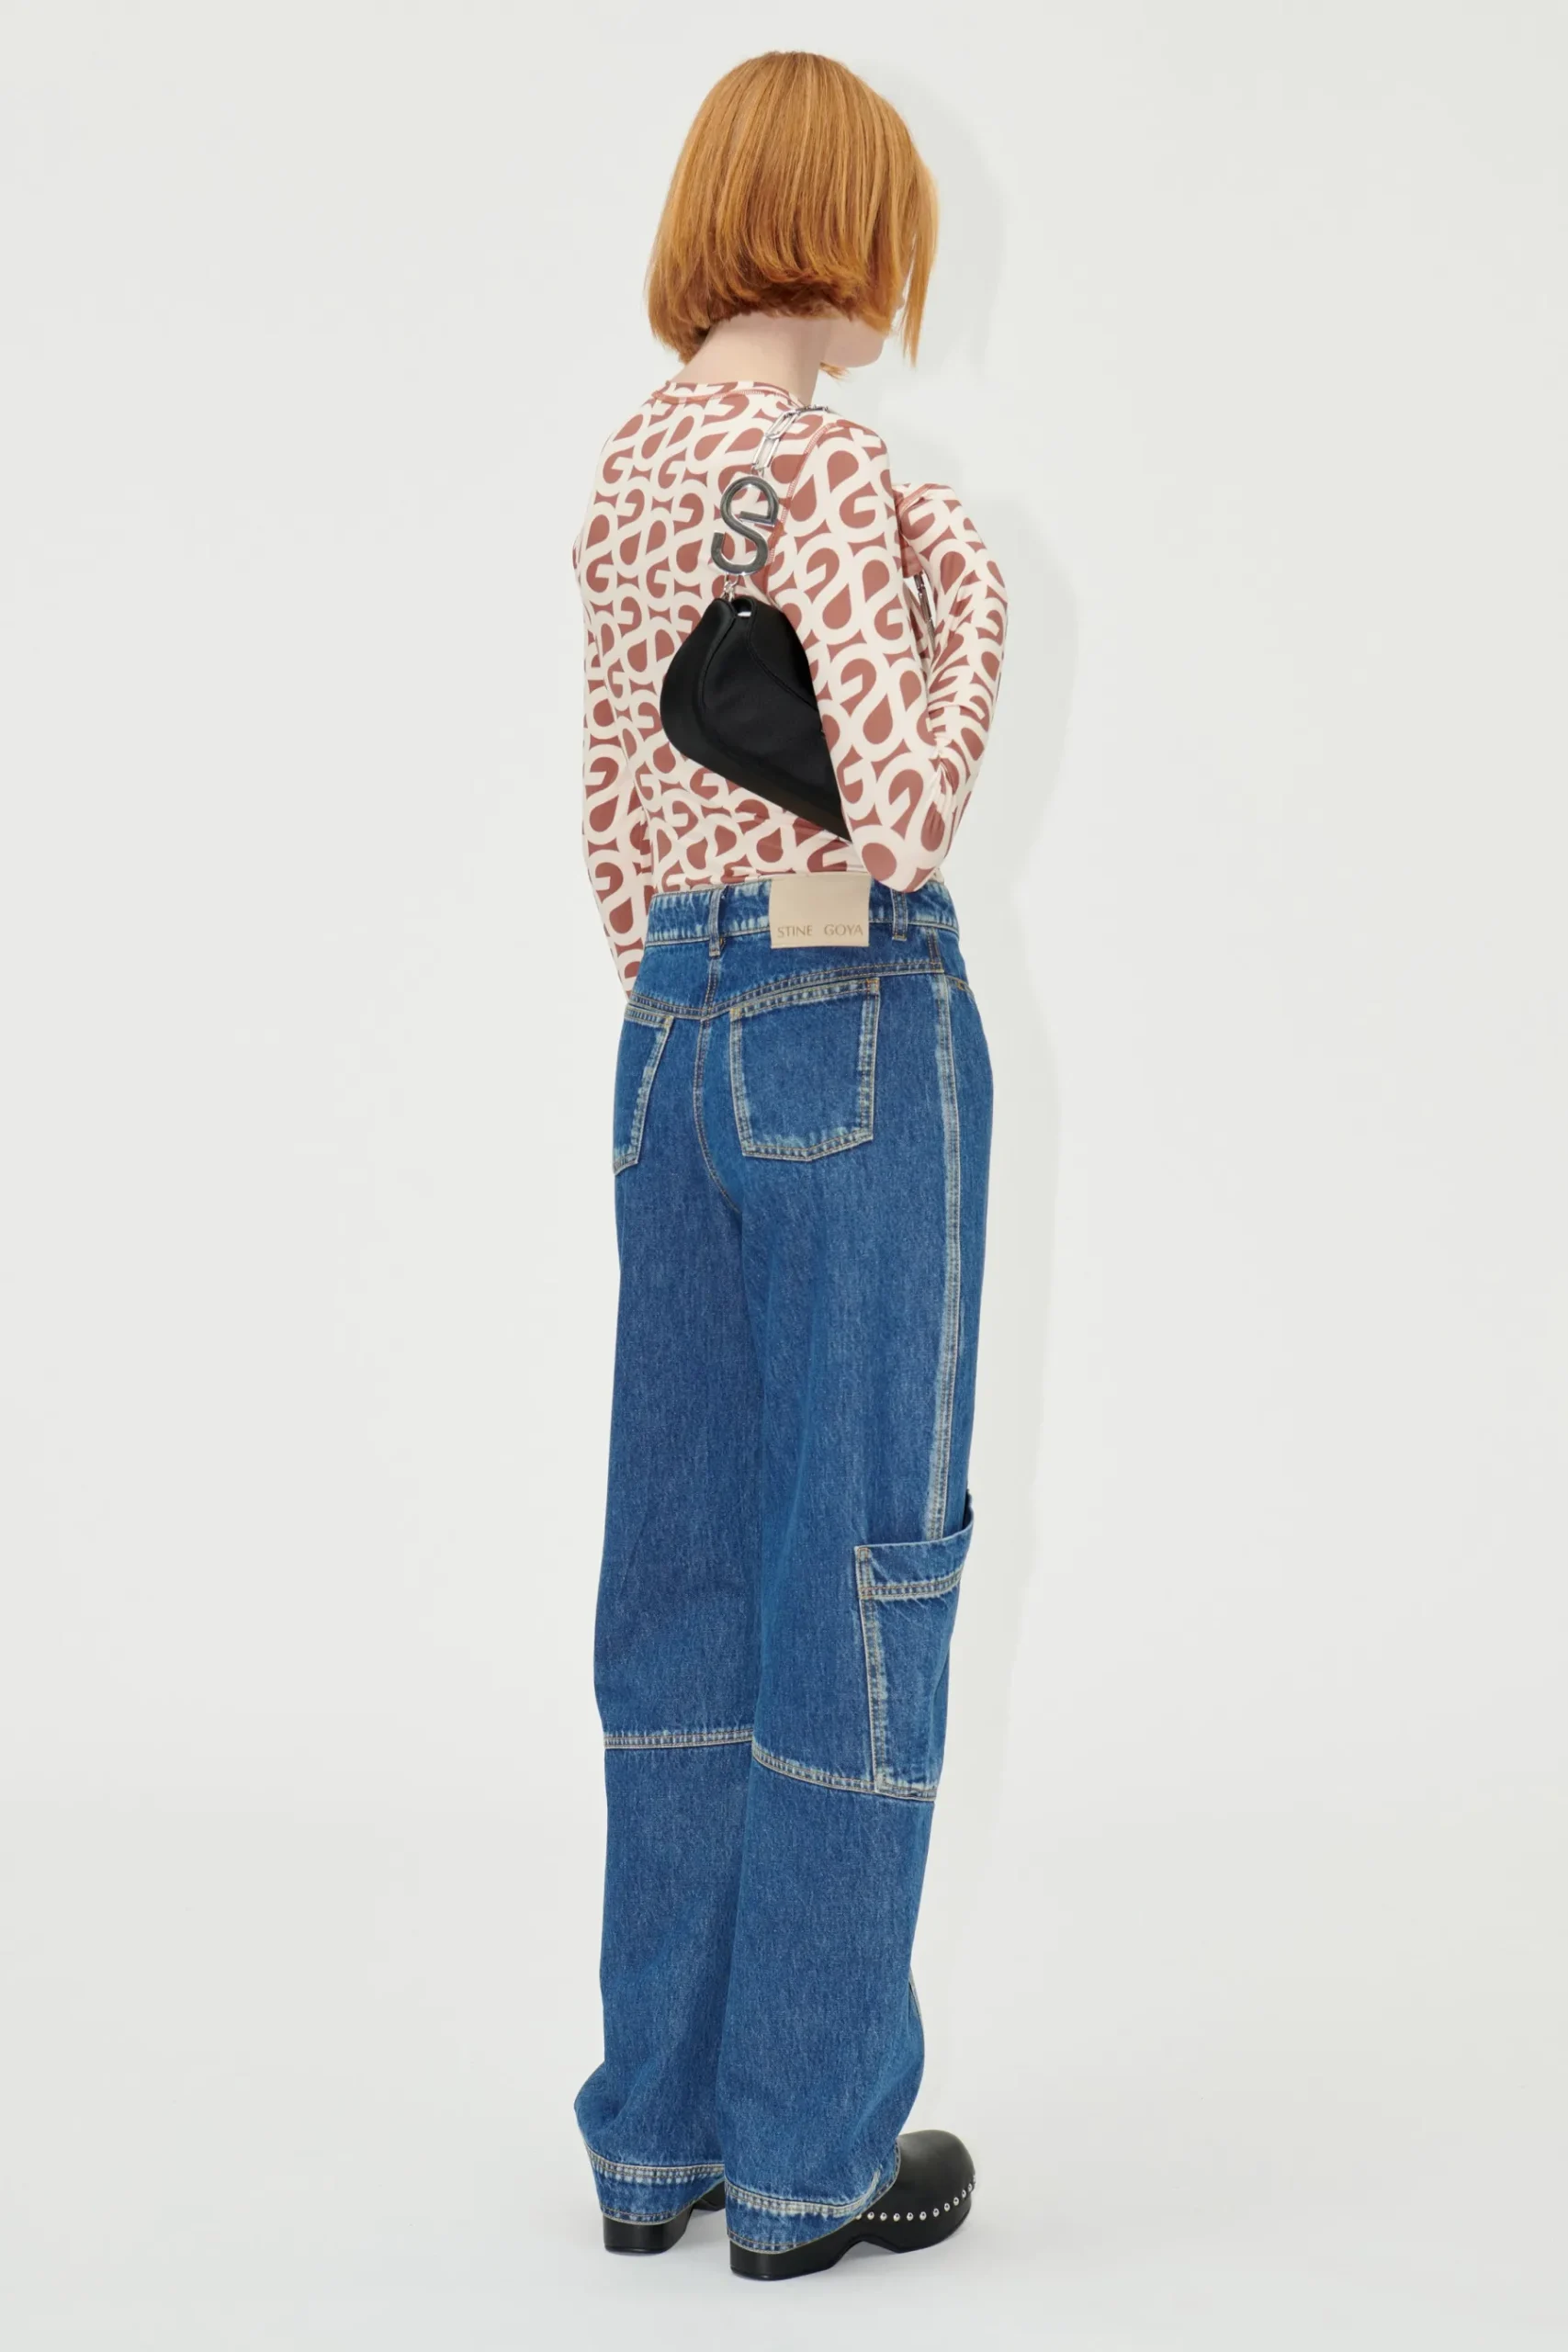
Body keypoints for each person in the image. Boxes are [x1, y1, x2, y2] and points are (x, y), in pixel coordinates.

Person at [570, 51, 1009, 2281]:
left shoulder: (630, 472)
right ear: (839, 230)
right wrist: (972, 596)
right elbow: (903, 811)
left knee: (684, 1585)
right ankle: (815, 2153)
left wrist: (696, 975)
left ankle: (657, 2137)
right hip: (849, 1014)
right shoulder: (832, 474)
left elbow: (607, 818)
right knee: (854, 1568)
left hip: (665, 1028)